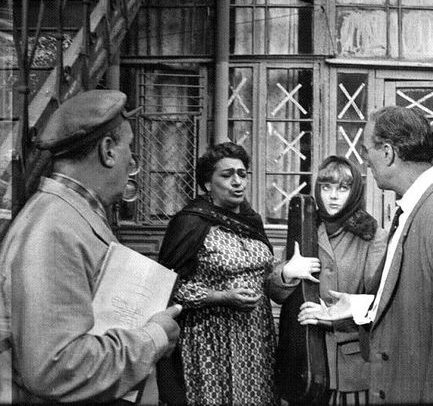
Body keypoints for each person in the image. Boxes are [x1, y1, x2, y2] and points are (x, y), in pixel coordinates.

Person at [299, 106, 433, 404]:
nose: (365, 161)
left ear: (388, 153)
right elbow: (418, 303)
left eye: (367, 151)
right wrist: (361, 305)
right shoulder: (421, 207)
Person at [0, 89, 181, 403]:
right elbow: (55, 369)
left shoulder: (70, 215)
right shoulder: (54, 228)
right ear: (108, 150)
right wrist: (153, 338)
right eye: (129, 149)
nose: (132, 162)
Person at [157, 142, 319, 406]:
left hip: (255, 337)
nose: (237, 182)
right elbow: (168, 286)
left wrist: (286, 273)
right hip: (209, 339)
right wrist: (220, 296)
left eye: (242, 174)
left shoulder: (251, 222)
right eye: (227, 175)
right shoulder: (190, 222)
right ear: (207, 183)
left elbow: (266, 278)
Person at [270, 155, 387, 405]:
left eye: (343, 188)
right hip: (305, 360)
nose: (333, 196)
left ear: (355, 192)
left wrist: (335, 315)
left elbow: (380, 302)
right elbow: (273, 290)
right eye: (326, 187)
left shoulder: (372, 236)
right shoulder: (306, 228)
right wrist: (287, 273)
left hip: (350, 366)